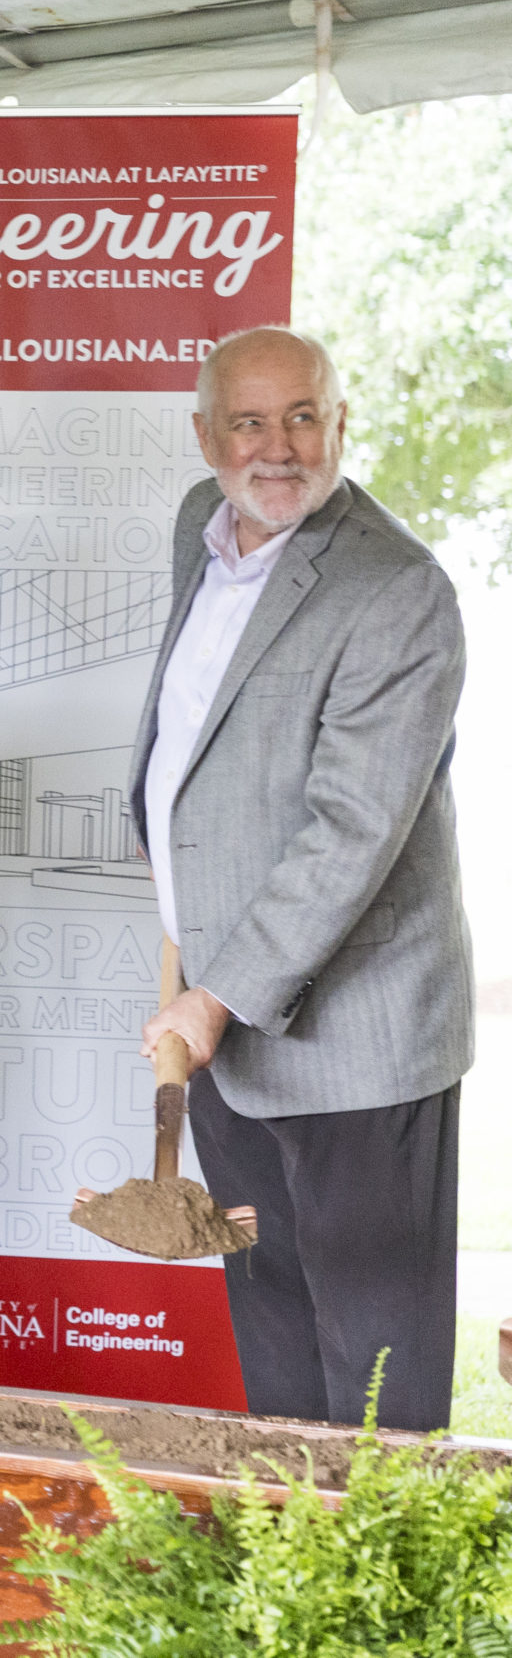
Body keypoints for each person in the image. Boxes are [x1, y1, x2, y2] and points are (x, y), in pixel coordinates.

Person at [134, 327, 470, 1433]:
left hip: (354, 1041)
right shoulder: (204, 527)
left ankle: (383, 1603)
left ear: (340, 424)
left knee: (375, 1365)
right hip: (226, 1030)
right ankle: (289, 1583)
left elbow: (350, 832)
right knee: (273, 1335)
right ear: (204, 436)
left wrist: (216, 995)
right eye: (248, 421)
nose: (278, 448)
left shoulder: (395, 589)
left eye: (304, 417)